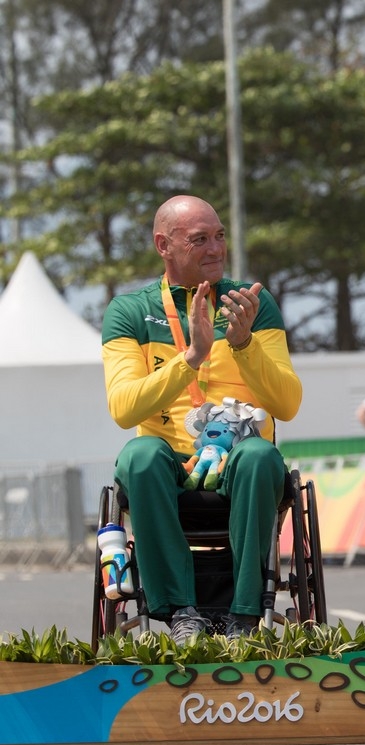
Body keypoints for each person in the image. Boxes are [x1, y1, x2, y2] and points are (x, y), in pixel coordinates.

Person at [102, 195, 302, 642]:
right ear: (163, 245)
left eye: (219, 236)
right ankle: (179, 614)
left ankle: (244, 617)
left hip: (237, 460)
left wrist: (246, 344)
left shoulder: (252, 303)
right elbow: (124, 408)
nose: (215, 249)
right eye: (199, 240)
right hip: (168, 466)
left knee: (258, 456)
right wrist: (191, 357)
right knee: (138, 455)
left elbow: (287, 404)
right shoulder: (129, 312)